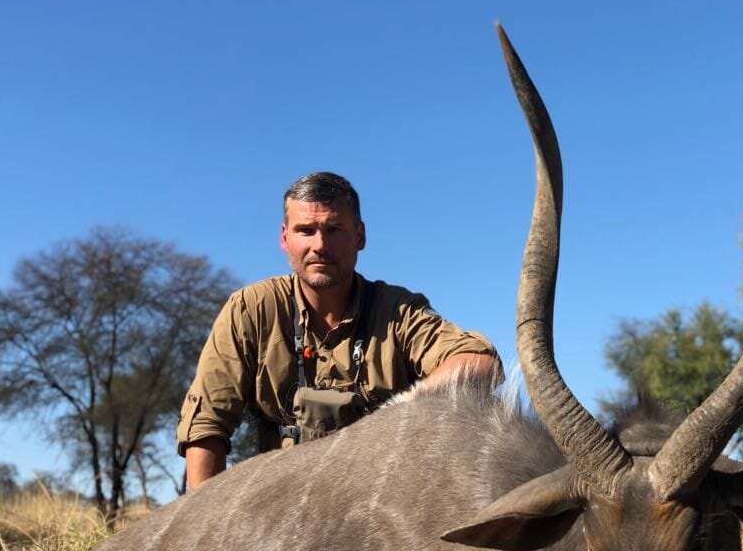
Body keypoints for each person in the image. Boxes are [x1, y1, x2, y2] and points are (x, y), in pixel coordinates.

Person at [178, 172, 501, 489]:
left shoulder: (398, 310)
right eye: (306, 230)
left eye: (334, 229)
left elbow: (480, 362)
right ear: (284, 238)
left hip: (382, 497)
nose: (320, 245)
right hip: (278, 504)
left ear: (359, 236)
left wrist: (395, 415)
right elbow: (206, 424)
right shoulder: (250, 308)